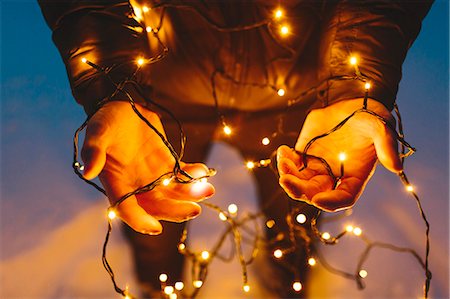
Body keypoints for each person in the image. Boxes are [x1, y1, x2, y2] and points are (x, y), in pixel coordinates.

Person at [38, 0, 432, 297]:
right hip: (159, 97)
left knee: (294, 218)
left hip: (302, 102)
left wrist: (355, 82)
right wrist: (115, 82)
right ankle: (160, 288)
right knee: (153, 215)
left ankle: (285, 286)